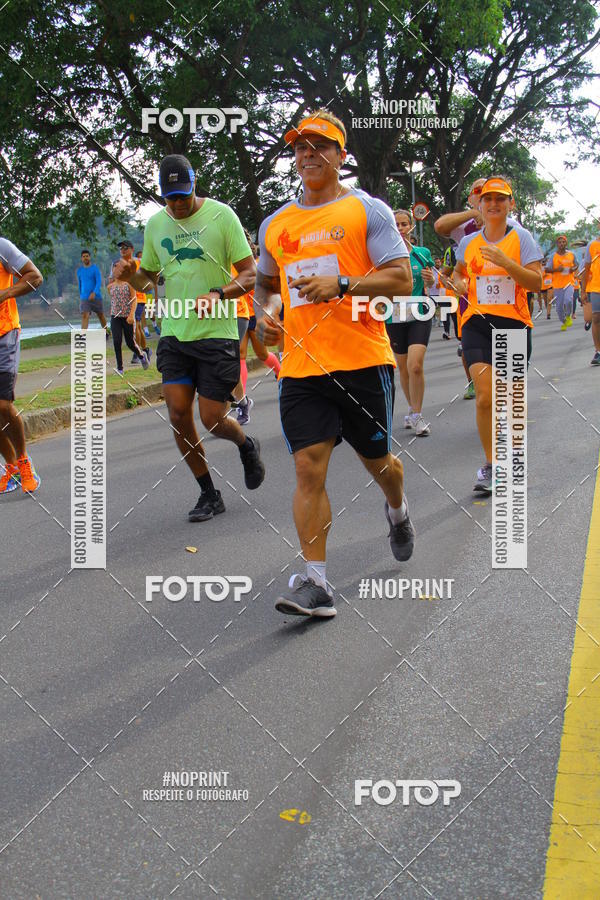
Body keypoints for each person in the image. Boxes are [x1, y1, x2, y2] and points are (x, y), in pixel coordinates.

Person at [254, 109, 414, 619]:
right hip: (303, 368)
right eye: (300, 147)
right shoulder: (276, 223)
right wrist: (269, 315)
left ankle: (398, 509)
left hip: (363, 360)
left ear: (341, 155)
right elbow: (266, 285)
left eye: (320, 146)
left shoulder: (368, 211)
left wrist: (342, 285)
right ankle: (317, 582)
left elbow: (401, 280)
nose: (308, 154)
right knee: (307, 468)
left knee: (380, 465)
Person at [112, 154, 265, 522]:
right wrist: (131, 275)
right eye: (170, 198)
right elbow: (149, 279)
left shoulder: (222, 216)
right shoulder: (155, 225)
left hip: (217, 333)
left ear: (195, 185)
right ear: (162, 195)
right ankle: (208, 493)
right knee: (179, 414)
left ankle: (246, 444)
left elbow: (250, 273)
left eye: (183, 196)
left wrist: (218, 294)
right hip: (175, 334)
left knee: (212, 418)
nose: (178, 205)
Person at [451, 177, 542, 494]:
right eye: (487, 199)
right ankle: (491, 466)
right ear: (479, 204)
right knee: (486, 396)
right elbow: (458, 273)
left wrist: (506, 263)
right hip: (476, 323)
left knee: (511, 400)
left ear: (510, 204)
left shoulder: (522, 239)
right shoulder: (469, 242)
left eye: (500, 199)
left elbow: (535, 283)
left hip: (513, 324)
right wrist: (457, 283)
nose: (493, 204)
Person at [385, 208, 435, 436]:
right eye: (396, 224)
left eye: (404, 224)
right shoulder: (382, 255)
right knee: (403, 368)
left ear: (411, 227)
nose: (400, 228)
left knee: (415, 365)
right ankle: (412, 409)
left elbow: (431, 281)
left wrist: (431, 279)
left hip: (420, 312)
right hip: (394, 315)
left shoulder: (421, 253)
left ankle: (417, 414)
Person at [0, 237, 44, 495]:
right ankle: (12, 468)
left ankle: (25, 462)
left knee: (3, 404)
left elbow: (34, 276)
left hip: (5, 333)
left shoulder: (2, 247)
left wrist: (5, 294)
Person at [107, 271, 148, 375]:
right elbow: (114, 300)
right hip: (115, 317)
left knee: (130, 342)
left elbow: (134, 300)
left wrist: (131, 315)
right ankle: (120, 368)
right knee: (117, 341)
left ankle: (142, 355)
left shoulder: (129, 284)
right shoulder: (110, 287)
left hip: (127, 317)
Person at [546, 235, 577, 331]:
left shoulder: (571, 255)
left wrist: (572, 269)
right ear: (557, 244)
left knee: (568, 300)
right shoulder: (553, 256)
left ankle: (568, 316)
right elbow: (547, 269)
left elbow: (576, 265)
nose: (561, 244)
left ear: (566, 243)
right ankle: (564, 321)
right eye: (559, 242)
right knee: (559, 308)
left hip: (569, 283)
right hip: (558, 286)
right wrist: (556, 269)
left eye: (563, 242)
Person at [77, 250, 109, 336]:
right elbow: (80, 284)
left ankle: (106, 332)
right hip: (84, 298)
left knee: (100, 315)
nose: (85, 258)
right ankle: (83, 336)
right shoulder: (79, 271)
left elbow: (99, 281)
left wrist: (94, 292)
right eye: (83, 256)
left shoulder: (95, 268)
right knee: (85, 315)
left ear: (89, 257)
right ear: (81, 258)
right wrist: (81, 296)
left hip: (96, 297)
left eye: (87, 256)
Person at [581, 233, 600, 364]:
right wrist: (583, 290)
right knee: (597, 318)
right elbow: (586, 270)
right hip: (596, 287)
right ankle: (598, 352)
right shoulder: (592, 245)